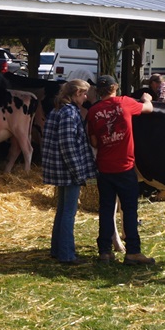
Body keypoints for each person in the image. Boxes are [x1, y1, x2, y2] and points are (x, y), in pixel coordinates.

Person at [86, 75, 155, 266]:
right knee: (130, 209)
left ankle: (104, 252)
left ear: (98, 92)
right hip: (125, 166)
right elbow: (148, 109)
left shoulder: (93, 112)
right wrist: (147, 100)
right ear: (115, 87)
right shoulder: (125, 103)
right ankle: (133, 252)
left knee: (107, 210)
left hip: (104, 167)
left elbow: (93, 142)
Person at [42, 79, 97, 265]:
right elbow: (68, 145)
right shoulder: (69, 113)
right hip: (68, 171)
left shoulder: (58, 110)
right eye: (83, 94)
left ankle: (57, 250)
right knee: (68, 213)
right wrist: (78, 172)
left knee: (62, 210)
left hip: (60, 170)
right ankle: (67, 255)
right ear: (74, 94)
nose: (85, 97)